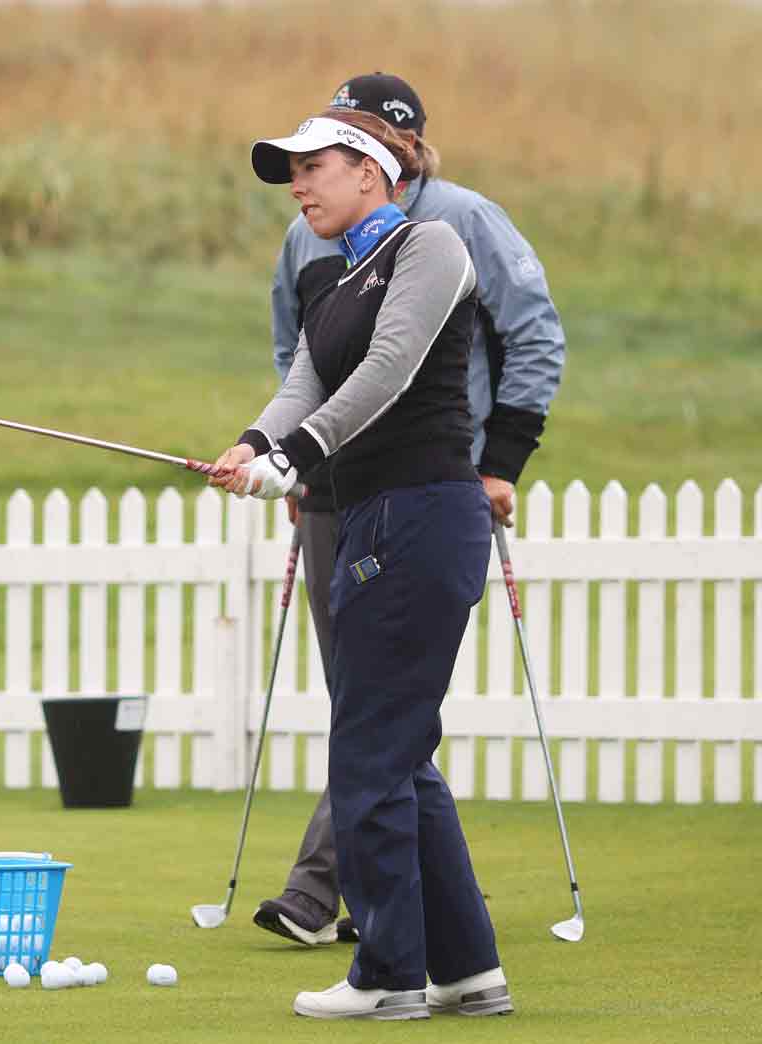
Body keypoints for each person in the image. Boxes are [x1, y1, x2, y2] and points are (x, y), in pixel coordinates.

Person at [212, 106, 512, 1019]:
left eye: (314, 168)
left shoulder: (431, 248)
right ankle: (467, 969)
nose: (299, 186)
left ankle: (389, 976)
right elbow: (308, 379)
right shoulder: (331, 280)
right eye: (292, 173)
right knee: (401, 754)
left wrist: (293, 456)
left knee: (369, 751)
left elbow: (387, 369)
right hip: (376, 519)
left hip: (424, 514)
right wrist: (252, 443)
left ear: (373, 174)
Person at [252, 73, 565, 950]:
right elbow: (303, 357)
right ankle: (451, 946)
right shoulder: (309, 239)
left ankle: (348, 913)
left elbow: (522, 337)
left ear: (383, 158)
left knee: (377, 719)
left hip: (432, 484)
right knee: (375, 711)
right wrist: (269, 448)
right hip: (335, 488)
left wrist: (503, 459)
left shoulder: (453, 229)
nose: (302, 182)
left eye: (323, 158)